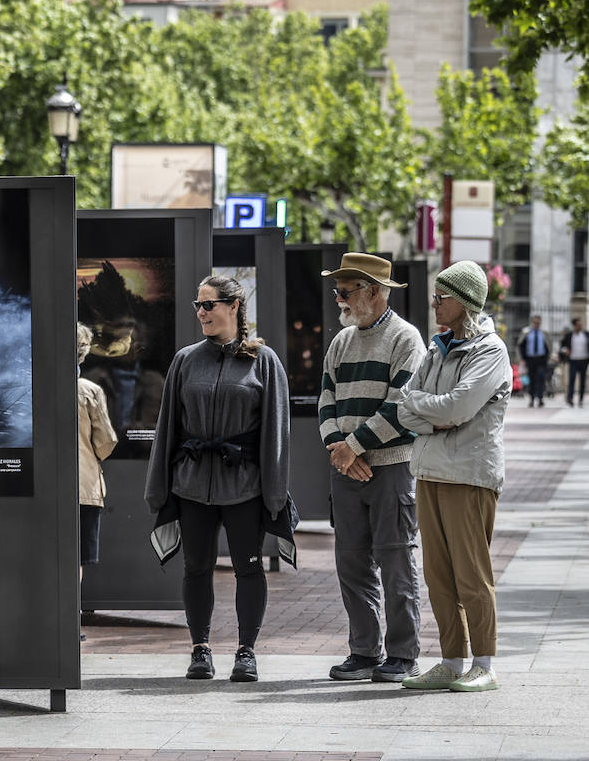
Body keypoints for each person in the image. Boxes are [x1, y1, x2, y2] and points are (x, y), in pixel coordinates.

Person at [146, 275, 292, 683]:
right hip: (191, 484)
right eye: (198, 305)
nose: (201, 313)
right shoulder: (185, 359)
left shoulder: (264, 361)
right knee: (196, 568)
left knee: (249, 567)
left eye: (208, 305)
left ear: (233, 307)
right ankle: (200, 649)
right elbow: (168, 427)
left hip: (244, 484)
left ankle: (247, 652)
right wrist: (158, 487)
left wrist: (275, 493)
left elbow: (277, 432)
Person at [397, 261, 511, 693]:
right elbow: (406, 405)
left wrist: (433, 411)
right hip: (429, 471)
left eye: (441, 296)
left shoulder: (490, 350)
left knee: (471, 573)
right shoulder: (436, 348)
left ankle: (484, 663)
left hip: (468, 475)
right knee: (437, 575)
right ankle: (450, 660)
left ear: (463, 302)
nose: (434, 303)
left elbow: (458, 408)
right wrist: (434, 415)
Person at [317, 253, 427, 683]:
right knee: (351, 561)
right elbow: (326, 397)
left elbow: (401, 405)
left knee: (396, 558)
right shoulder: (341, 342)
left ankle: (402, 654)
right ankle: (364, 651)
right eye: (338, 291)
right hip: (347, 468)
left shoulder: (406, 339)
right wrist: (338, 448)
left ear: (375, 292)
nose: (339, 299)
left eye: (347, 291)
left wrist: (353, 447)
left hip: (392, 466)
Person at [77, 323, 118, 635]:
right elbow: (105, 442)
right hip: (83, 485)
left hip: (39, 487)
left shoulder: (31, 385)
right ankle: (70, 616)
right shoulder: (89, 392)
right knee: (75, 558)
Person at [517, 315, 551, 407]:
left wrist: (548, 357)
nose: (537, 324)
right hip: (530, 359)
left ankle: (540, 398)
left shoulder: (544, 333)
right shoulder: (526, 332)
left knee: (541, 378)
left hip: (541, 359)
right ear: (532, 322)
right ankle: (532, 399)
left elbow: (549, 345)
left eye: (538, 323)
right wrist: (522, 359)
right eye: (535, 323)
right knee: (532, 379)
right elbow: (520, 345)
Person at [560, 317, 588, 407]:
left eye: (580, 325)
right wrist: (566, 351)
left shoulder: (586, 335)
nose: (580, 326)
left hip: (584, 360)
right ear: (574, 326)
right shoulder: (569, 335)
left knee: (582, 381)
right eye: (578, 325)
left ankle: (580, 399)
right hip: (573, 360)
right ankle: (570, 398)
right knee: (572, 379)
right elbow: (562, 346)